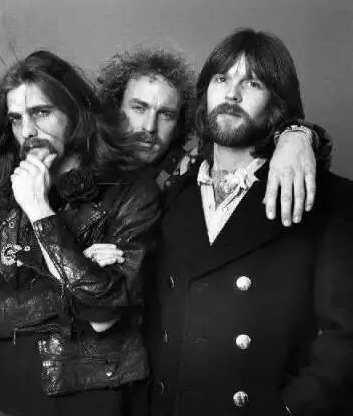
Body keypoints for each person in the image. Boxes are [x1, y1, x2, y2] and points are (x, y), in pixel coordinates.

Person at [147, 28, 353, 416]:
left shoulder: (331, 199)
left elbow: (345, 337)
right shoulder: (171, 193)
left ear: (277, 106)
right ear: (205, 93)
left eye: (253, 83)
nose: (232, 94)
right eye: (221, 79)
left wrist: (290, 409)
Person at [0, 50, 161, 416]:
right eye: (16, 119)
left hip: (87, 398)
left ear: (75, 113)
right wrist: (68, 289)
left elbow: (103, 311)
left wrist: (38, 210)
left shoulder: (130, 192)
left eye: (41, 112)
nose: (28, 131)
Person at [97, 46, 332, 226]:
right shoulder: (85, 162)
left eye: (166, 115)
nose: (149, 127)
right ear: (115, 109)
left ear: (180, 123)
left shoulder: (190, 169)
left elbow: (259, 148)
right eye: (139, 108)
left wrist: (297, 135)